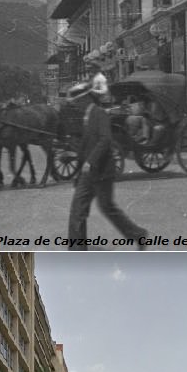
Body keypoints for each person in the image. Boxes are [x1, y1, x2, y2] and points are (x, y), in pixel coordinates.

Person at [67, 72, 148, 245]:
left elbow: (105, 140)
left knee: (107, 208)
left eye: (77, 102)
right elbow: (86, 144)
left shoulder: (99, 114)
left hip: (102, 171)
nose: (76, 106)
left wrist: (90, 161)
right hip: (88, 174)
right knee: (77, 211)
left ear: (85, 99)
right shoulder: (86, 117)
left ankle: (138, 235)